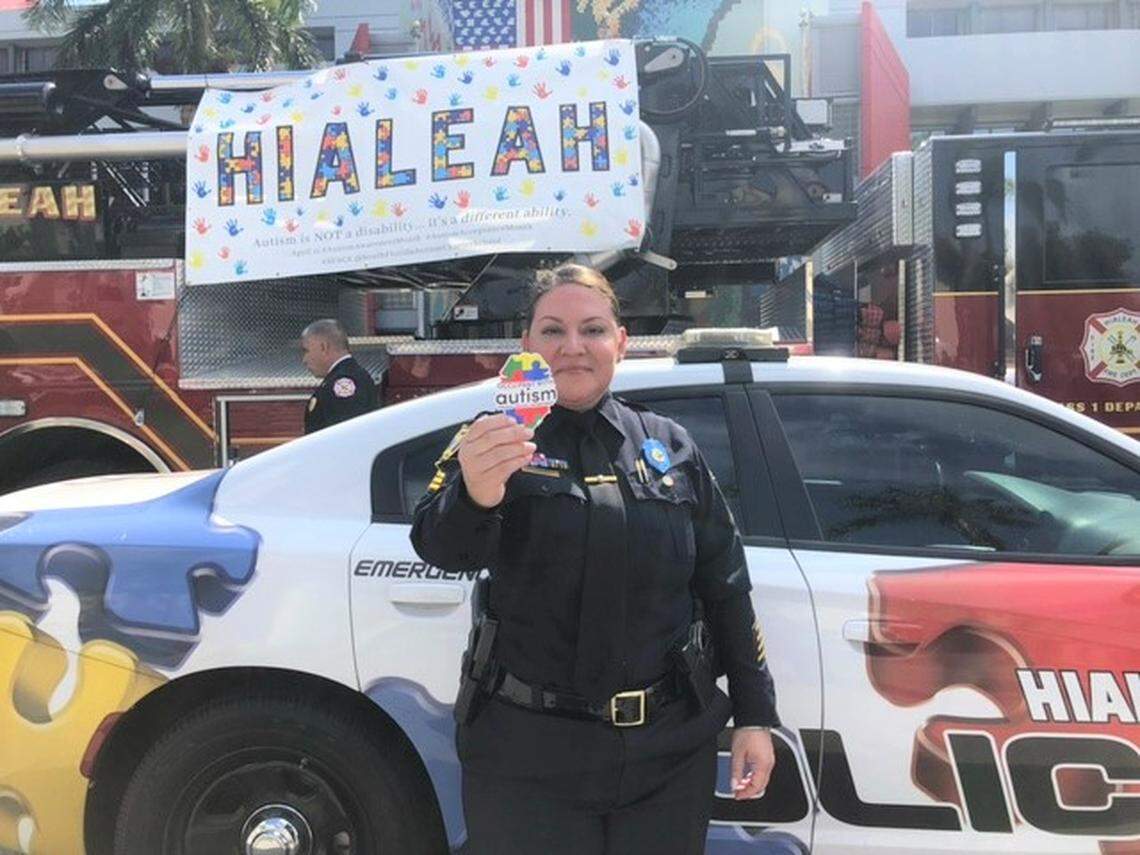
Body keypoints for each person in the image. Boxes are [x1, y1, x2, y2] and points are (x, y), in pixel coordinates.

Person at [411, 264, 779, 854]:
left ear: (621, 342)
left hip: (666, 756)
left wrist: (756, 716)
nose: (573, 348)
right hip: (528, 758)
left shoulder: (669, 444)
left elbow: (725, 584)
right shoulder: (491, 439)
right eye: (553, 331)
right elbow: (439, 547)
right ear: (526, 347)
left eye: (593, 330)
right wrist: (477, 492)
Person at [300, 318, 377, 434]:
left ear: (323, 347)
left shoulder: (344, 382)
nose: (304, 360)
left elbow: (345, 436)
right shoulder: (345, 376)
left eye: (306, 351)